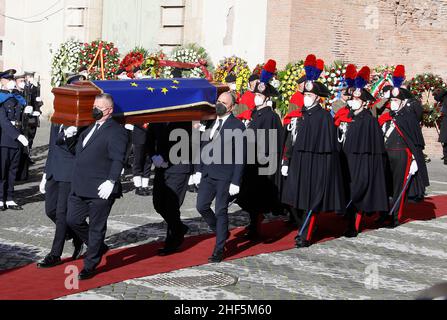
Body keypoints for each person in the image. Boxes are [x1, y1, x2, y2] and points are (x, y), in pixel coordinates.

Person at [281, 54, 346, 248]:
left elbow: (329, 147)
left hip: (316, 164)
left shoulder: (324, 117)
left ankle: (306, 235)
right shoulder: (301, 114)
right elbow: (292, 139)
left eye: (309, 96)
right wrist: (286, 160)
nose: (306, 98)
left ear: (317, 97)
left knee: (311, 201)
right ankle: (303, 226)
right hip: (299, 162)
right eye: (305, 95)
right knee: (292, 198)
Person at [66, 93, 128, 280]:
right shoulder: (89, 128)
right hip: (80, 186)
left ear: (108, 110)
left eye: (98, 107)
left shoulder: (117, 131)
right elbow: (79, 152)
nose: (94, 109)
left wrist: (111, 181)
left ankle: (90, 264)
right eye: (94, 105)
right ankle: (98, 246)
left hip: (101, 188)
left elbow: (119, 159)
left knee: (96, 228)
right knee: (72, 220)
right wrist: (69, 137)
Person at [194, 91, 246, 263]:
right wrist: (198, 170)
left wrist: (236, 181)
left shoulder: (237, 126)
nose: (219, 104)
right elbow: (203, 147)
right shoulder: (210, 122)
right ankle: (221, 232)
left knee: (221, 210)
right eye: (218, 101)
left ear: (231, 107)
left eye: (224, 102)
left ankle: (219, 249)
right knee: (201, 206)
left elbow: (240, 156)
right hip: (208, 173)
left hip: (225, 176)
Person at [339, 66, 389, 237]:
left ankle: (354, 226)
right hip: (348, 161)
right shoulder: (350, 117)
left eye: (356, 99)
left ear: (364, 102)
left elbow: (374, 149)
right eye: (352, 98)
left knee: (357, 193)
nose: (352, 101)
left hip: (362, 164)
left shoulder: (369, 120)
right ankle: (348, 221)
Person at [237, 59, 284, 239]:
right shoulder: (256, 113)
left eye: (259, 95)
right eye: (255, 94)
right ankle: (252, 223)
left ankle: (256, 228)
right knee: (249, 197)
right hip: (251, 160)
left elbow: (272, 142)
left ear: (266, 98)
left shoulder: (270, 116)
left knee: (257, 198)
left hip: (261, 162)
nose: (256, 97)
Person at [378, 65, 429, 227]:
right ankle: (383, 213)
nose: (393, 103)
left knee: (398, 188)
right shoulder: (386, 116)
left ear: (402, 102)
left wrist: (415, 159)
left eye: (396, 101)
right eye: (391, 100)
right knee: (385, 185)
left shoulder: (409, 118)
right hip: (386, 154)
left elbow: (416, 141)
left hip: (402, 156)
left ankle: (394, 216)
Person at [36, 123, 85, 268]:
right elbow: (52, 146)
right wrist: (45, 173)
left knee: (61, 214)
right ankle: (76, 234)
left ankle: (55, 254)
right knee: (50, 210)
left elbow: (80, 151)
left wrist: (70, 136)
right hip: (53, 170)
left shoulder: (80, 121)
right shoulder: (57, 117)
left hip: (68, 172)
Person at [147, 121, 193, 256]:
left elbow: (190, 145)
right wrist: (153, 156)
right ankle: (179, 228)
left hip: (179, 167)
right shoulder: (157, 118)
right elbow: (149, 140)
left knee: (171, 206)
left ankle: (172, 242)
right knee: (158, 204)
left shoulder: (185, 120)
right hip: (161, 167)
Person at [0, 70, 29, 210]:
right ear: (2, 82)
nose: (12, 81)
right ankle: (0, 198)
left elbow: (20, 119)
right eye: (8, 79)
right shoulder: (0, 98)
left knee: (13, 169)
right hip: (5, 138)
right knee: (2, 170)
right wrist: (18, 136)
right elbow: (3, 122)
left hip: (18, 136)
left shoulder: (18, 97)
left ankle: (10, 197)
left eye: (12, 79)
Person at [130, 123, 153, 196]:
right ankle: (138, 186)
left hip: (150, 138)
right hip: (139, 137)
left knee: (148, 162)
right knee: (138, 161)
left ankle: (145, 186)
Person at [434, 88, 447, 164]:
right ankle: (446, 159)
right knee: (445, 141)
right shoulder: (445, 95)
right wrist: (445, 91)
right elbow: (437, 98)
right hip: (446, 120)